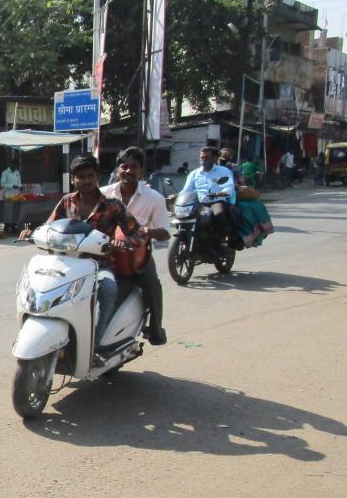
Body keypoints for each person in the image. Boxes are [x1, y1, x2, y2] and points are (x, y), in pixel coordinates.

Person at [24, 154, 143, 355]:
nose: (85, 181)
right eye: (80, 177)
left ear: (97, 177)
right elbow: (48, 227)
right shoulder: (66, 202)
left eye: (90, 176)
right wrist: (33, 234)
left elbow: (137, 233)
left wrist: (120, 243)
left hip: (98, 265)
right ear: (73, 180)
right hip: (64, 264)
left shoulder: (112, 204)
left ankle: (95, 343)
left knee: (108, 289)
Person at [100, 147, 171, 346]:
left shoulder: (154, 198)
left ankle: (156, 329)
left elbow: (165, 231)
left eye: (134, 167)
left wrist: (150, 232)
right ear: (117, 170)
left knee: (151, 283)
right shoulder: (103, 194)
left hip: (137, 255)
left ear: (141, 171)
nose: (128, 171)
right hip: (104, 251)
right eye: (124, 167)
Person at [182, 146, 235, 244]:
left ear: (214, 158)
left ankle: (221, 240)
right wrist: (176, 196)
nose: (203, 160)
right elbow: (186, 190)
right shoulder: (194, 173)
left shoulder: (224, 171)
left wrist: (223, 192)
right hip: (198, 202)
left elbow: (229, 186)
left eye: (206, 158)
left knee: (219, 213)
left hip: (216, 201)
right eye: (201, 158)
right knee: (183, 216)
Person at [233, 178, 274, 248]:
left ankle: (250, 236)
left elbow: (238, 182)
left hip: (230, 195)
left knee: (243, 208)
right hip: (210, 199)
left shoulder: (226, 172)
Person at [1, 158, 22, 232]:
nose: (15, 168)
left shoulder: (17, 173)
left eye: (16, 166)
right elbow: (3, 184)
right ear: (11, 165)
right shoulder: (5, 173)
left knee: (16, 212)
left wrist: (20, 186)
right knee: (8, 212)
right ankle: (6, 227)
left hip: (16, 195)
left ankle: (13, 227)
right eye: (15, 166)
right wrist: (12, 186)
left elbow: (19, 182)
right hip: (9, 195)